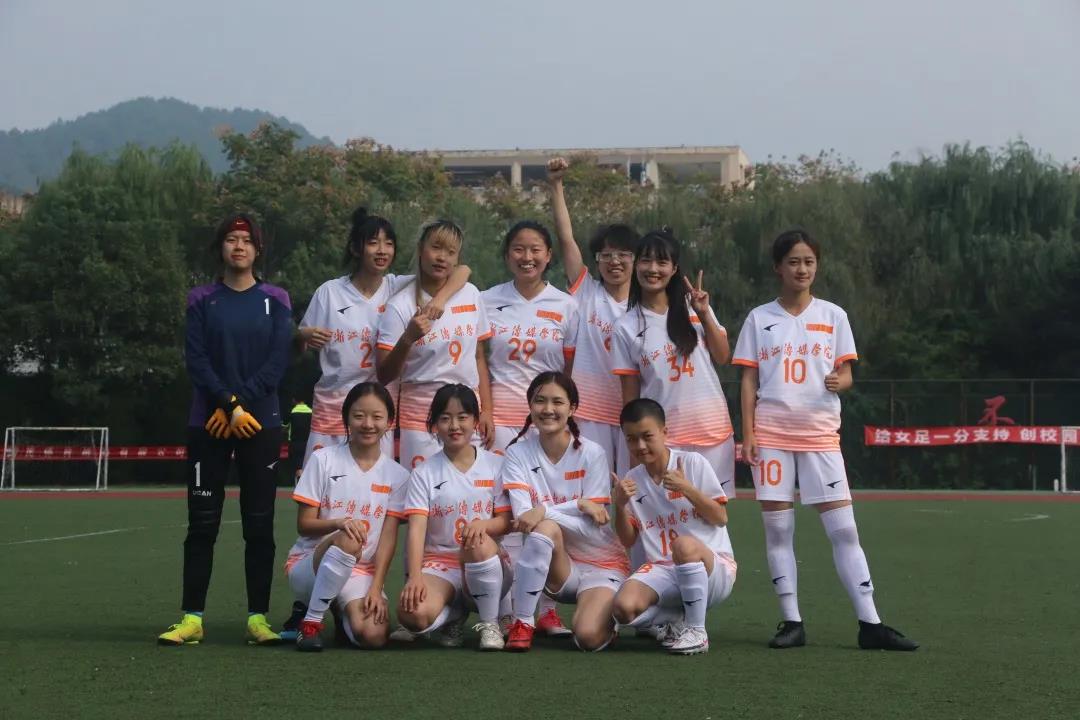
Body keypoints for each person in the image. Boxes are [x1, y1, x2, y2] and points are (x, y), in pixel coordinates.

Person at [732, 228, 918, 651]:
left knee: (844, 529)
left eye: (809, 261)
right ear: (778, 267)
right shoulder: (759, 318)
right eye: (793, 261)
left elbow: (847, 373)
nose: (802, 269)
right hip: (772, 435)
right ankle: (791, 622)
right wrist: (749, 435)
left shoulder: (834, 316)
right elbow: (748, 380)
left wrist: (841, 380)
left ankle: (870, 623)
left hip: (820, 436)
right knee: (778, 531)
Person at [159, 212, 292, 646]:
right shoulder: (201, 298)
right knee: (202, 525)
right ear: (221, 247)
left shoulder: (276, 298)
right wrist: (228, 404)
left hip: (261, 423)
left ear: (258, 249)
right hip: (209, 423)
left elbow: (277, 361)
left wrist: (238, 405)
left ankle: (258, 620)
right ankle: (192, 618)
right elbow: (196, 360)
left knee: (260, 525)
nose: (239, 246)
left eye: (246, 240)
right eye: (231, 239)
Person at [298, 207, 469, 463]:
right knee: (323, 482)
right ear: (356, 248)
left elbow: (462, 271)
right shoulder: (329, 293)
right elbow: (297, 347)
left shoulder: (398, 287)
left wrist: (440, 299)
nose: (382, 250)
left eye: (389, 244)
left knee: (374, 484)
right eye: (373, 243)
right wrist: (302, 336)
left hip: (378, 414)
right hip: (332, 409)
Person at [480, 219, 578, 638]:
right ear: (507, 255)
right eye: (519, 249)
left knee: (550, 508)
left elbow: (569, 371)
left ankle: (548, 608)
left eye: (536, 249)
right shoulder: (486, 300)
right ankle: (507, 610)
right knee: (509, 514)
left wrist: (563, 417)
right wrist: (484, 409)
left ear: (548, 255)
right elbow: (478, 360)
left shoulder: (566, 305)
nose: (527, 257)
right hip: (501, 422)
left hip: (548, 423)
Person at [501, 372, 629, 652]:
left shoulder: (592, 453)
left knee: (587, 638)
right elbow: (525, 520)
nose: (548, 409)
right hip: (557, 570)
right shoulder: (516, 454)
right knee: (544, 529)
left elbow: (591, 527)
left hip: (601, 565)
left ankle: (605, 616)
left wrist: (544, 509)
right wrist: (578, 505)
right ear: (530, 405)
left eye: (558, 402)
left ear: (572, 408)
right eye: (540, 401)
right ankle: (523, 622)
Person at [286, 382, 409, 651]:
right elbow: (304, 525)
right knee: (350, 538)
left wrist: (376, 588)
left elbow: (387, 539)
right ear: (346, 418)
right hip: (312, 564)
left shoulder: (398, 476)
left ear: (390, 421)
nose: (368, 424)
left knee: (374, 636)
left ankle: (342, 616)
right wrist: (339, 524)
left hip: (360, 571)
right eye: (359, 416)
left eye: (377, 417)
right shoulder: (322, 460)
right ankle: (310, 623)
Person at [611, 399, 736, 655]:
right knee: (622, 609)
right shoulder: (632, 479)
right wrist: (620, 506)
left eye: (647, 436)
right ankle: (673, 620)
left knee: (683, 545)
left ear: (664, 432)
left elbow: (721, 517)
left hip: (713, 568)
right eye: (631, 439)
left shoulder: (692, 463)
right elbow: (627, 540)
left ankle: (697, 631)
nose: (640, 446)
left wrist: (686, 488)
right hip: (664, 568)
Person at [610, 229, 735, 483]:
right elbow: (631, 398)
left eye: (662, 262)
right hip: (664, 439)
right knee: (667, 507)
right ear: (635, 265)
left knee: (713, 508)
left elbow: (723, 356)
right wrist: (635, 453)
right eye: (646, 260)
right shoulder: (625, 327)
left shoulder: (695, 307)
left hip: (713, 432)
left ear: (674, 268)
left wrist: (704, 314)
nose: (653, 269)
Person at [397, 385, 512, 650]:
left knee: (477, 541)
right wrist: (414, 577)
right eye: (445, 418)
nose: (454, 426)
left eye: (462, 417)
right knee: (412, 615)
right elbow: (416, 530)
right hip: (440, 564)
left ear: (475, 420)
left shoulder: (496, 465)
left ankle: (490, 625)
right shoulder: (424, 472)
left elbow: (507, 521)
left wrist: (483, 525)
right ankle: (454, 614)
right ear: (434, 424)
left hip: (485, 559)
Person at [375, 220, 494, 468]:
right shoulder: (400, 305)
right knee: (422, 488)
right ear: (421, 249)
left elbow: (478, 357)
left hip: (466, 413)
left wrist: (486, 411)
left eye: (451, 252)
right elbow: (384, 374)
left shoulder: (471, 294)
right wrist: (407, 338)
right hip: (421, 417)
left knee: (469, 487)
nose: (442, 258)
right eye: (436, 248)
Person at [547, 157, 639, 476]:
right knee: (589, 489)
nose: (615, 262)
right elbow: (566, 239)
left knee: (633, 490)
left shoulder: (647, 305)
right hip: (589, 413)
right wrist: (556, 185)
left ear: (636, 260)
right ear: (597, 260)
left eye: (623, 255)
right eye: (606, 255)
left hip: (632, 413)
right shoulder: (587, 292)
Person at [286, 395, 312, 481]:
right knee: (307, 465)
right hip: (308, 443)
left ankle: (299, 483)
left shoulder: (292, 411)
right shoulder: (311, 412)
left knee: (298, 466)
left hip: (295, 442)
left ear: (294, 400)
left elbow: (285, 425)